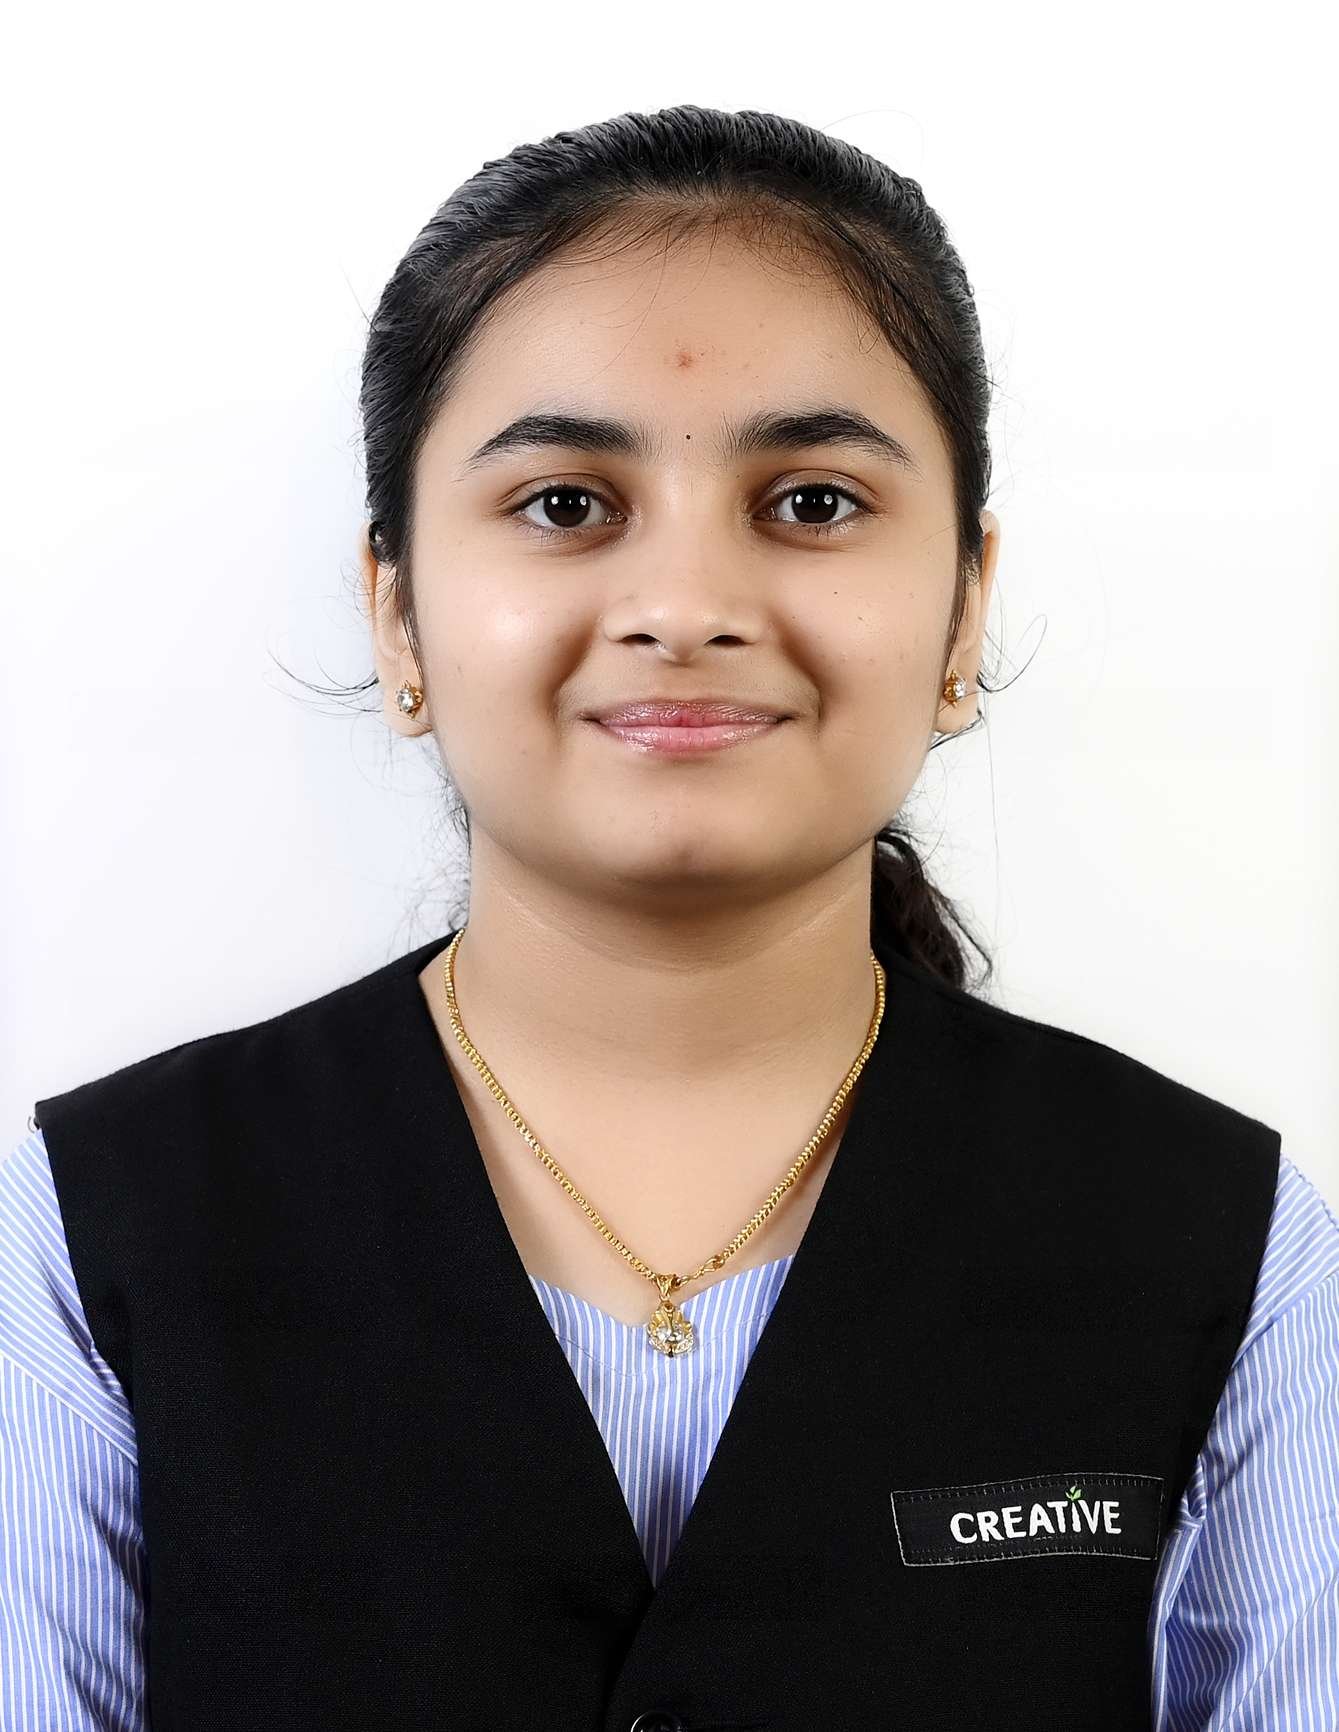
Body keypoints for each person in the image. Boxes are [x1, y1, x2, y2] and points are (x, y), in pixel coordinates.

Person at [3, 104, 1336, 1732]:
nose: (687, 607)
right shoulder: (84, 1237)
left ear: (964, 608)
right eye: (567, 504)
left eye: (814, 504)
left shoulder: (1236, 1248)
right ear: (398, 613)